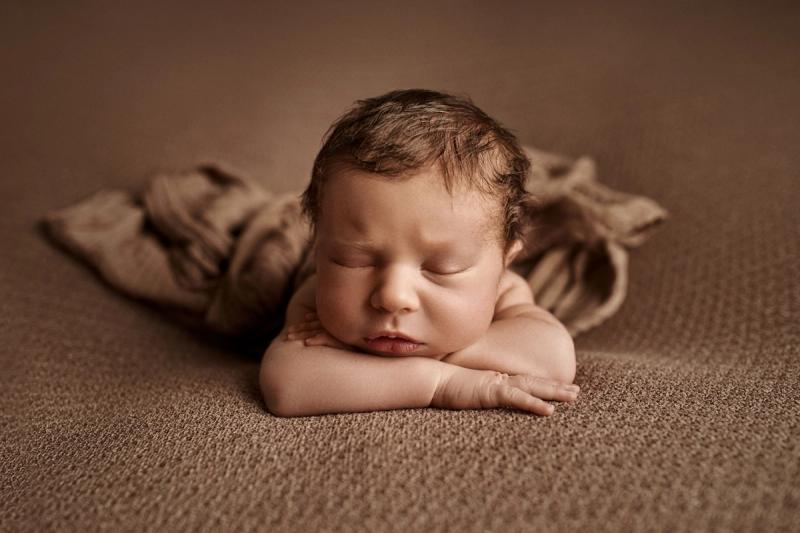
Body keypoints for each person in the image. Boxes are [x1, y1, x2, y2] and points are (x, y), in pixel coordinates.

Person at [259, 89, 579, 417]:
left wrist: (440, 352)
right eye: (354, 260)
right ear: (318, 252)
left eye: (443, 268)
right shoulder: (317, 297)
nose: (393, 296)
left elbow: (553, 359)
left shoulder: (506, 290)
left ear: (503, 264)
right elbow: (288, 385)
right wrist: (440, 382)